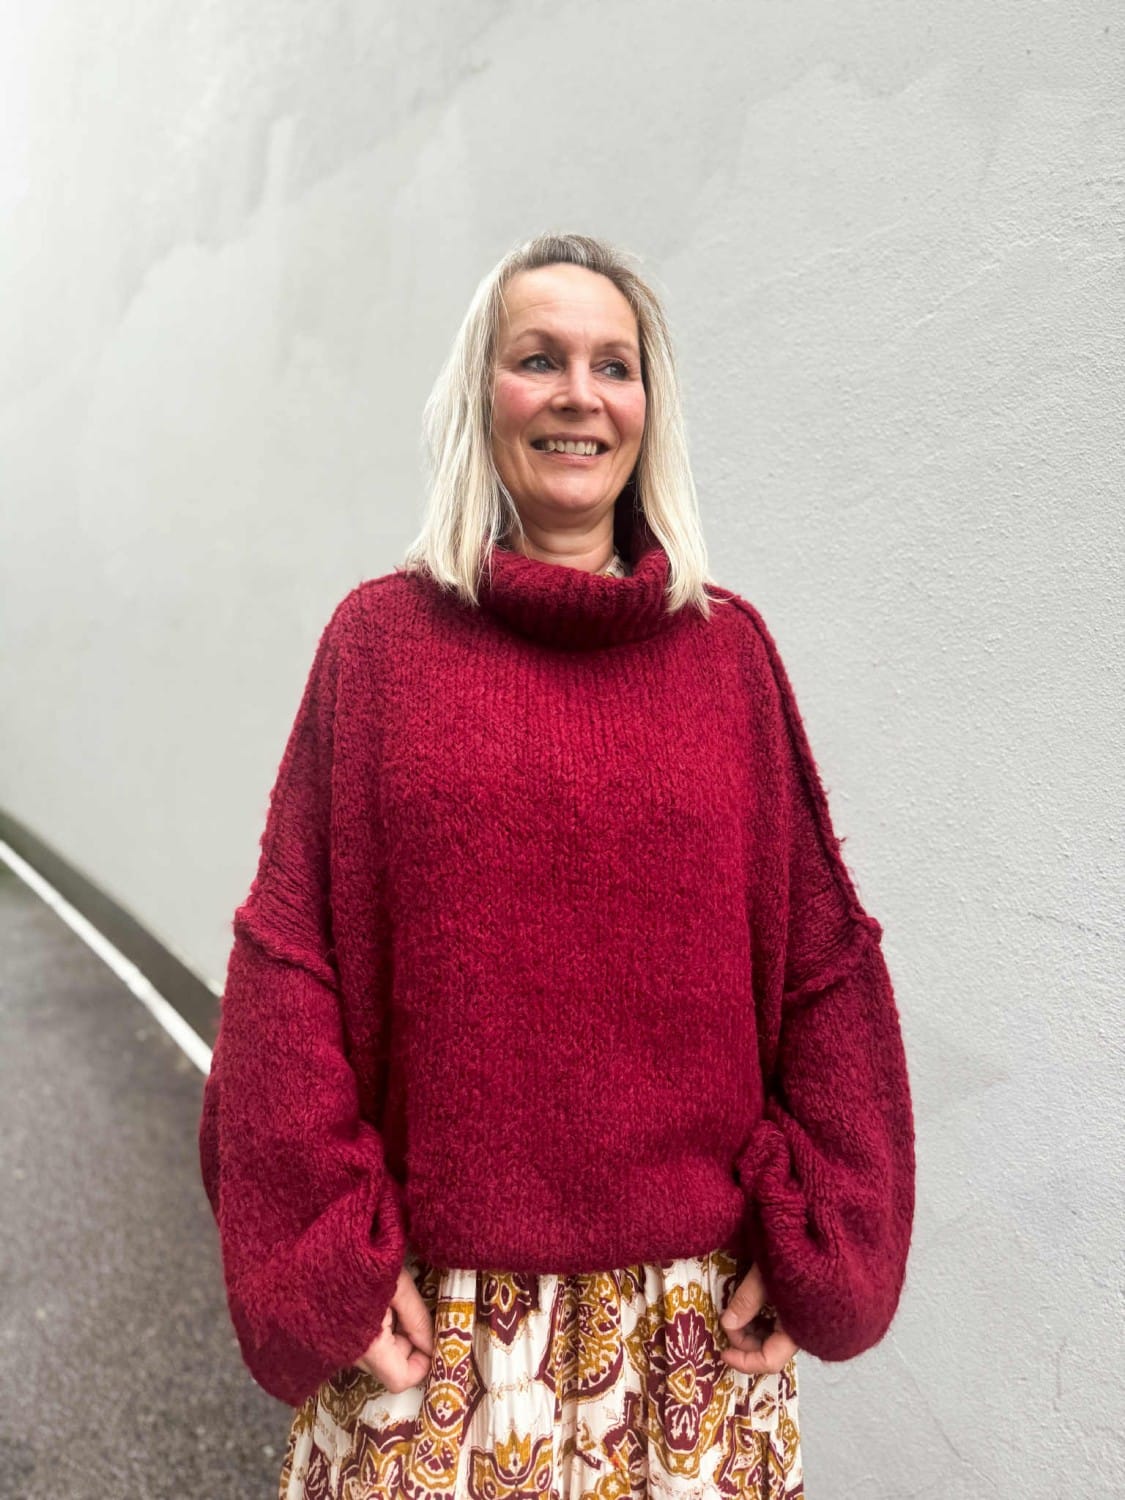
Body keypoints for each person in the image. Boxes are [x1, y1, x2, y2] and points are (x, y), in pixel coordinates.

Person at [199, 231, 916, 1499]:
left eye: (613, 365)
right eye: (539, 359)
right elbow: (288, 971)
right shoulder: (379, 650)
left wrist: (827, 1238)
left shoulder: (729, 659)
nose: (580, 395)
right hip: (431, 1338)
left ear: (649, 406)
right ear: (483, 393)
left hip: (685, 1346)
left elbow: (823, 967)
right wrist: (326, 1255)